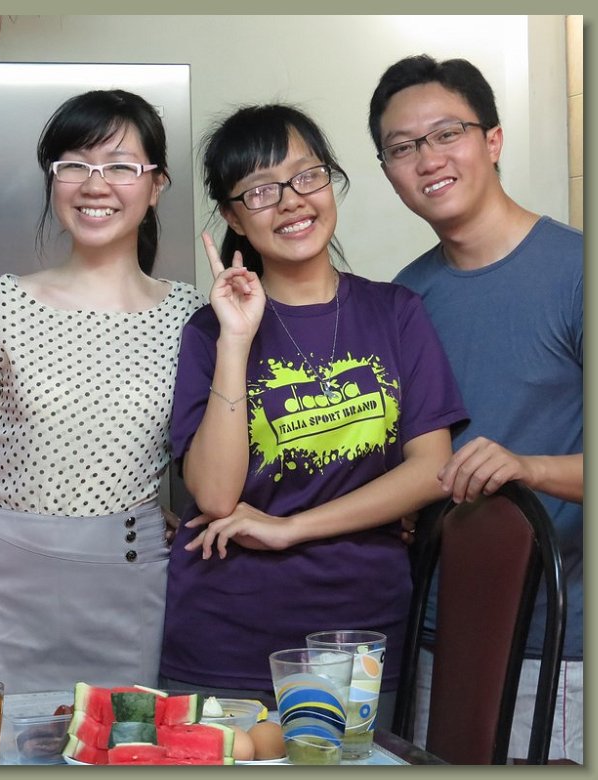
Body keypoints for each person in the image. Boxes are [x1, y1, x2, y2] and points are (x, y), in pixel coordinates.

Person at [158, 104, 469, 725]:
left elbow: (431, 469)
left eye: (307, 176)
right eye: (261, 190)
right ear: (232, 215)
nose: (292, 201)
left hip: (360, 633)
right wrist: (236, 340)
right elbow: (215, 497)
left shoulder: (396, 312)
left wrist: (292, 527)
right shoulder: (208, 332)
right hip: (225, 632)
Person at [369, 54, 583, 763]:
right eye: (402, 147)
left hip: (557, 648)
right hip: (431, 636)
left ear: (492, 140)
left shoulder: (575, 272)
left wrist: (530, 468)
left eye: (446, 134)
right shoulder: (405, 298)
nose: (427, 159)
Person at [0, 89, 204, 693]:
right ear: (53, 179)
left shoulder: (190, 315)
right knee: (0, 739)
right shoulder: (0, 303)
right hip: (3, 575)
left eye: (121, 166)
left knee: (125, 736)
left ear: (156, 185)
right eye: (75, 165)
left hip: (128, 574)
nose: (96, 185)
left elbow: (209, 461)